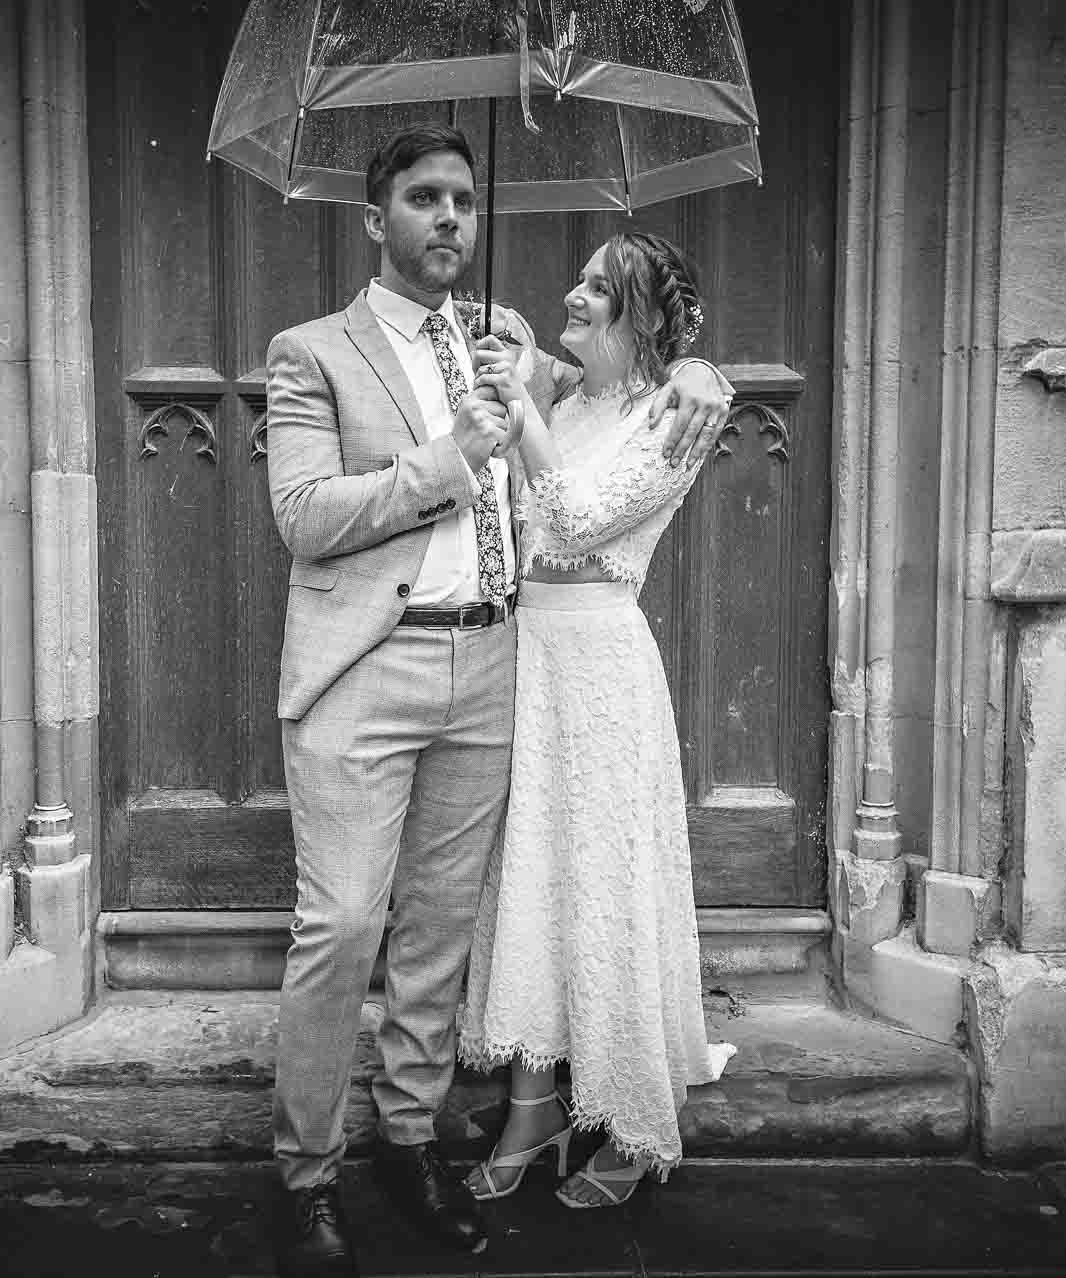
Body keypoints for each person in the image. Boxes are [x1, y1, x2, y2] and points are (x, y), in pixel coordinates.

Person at [263, 124, 732, 1278]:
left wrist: (700, 371)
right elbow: (306, 517)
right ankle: (306, 1176)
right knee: (342, 929)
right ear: (377, 222)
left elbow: (626, 397)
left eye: (464, 202)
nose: (450, 220)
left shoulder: (506, 340)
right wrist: (447, 457)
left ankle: (409, 1142)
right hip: (369, 668)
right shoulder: (311, 351)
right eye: (422, 200)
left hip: (495, 669)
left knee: (437, 935)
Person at [455, 230, 738, 1210]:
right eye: (575, 280)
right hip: (526, 659)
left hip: (605, 671)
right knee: (530, 877)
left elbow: (574, 518)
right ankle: (530, 1105)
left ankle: (626, 1116)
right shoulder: (565, 395)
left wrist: (698, 365)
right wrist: (508, 350)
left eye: (598, 289)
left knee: (607, 888)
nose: (573, 295)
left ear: (645, 318)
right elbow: (514, 355)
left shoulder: (677, 414)